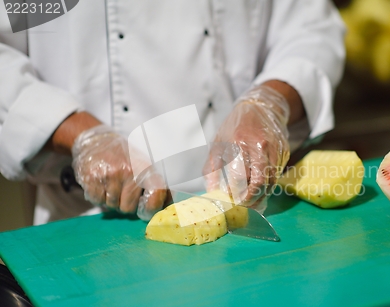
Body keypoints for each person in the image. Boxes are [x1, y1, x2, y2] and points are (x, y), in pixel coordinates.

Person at [0, 1, 346, 225]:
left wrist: (270, 99)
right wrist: (79, 134)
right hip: (88, 219)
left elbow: (311, 28)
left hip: (245, 201)